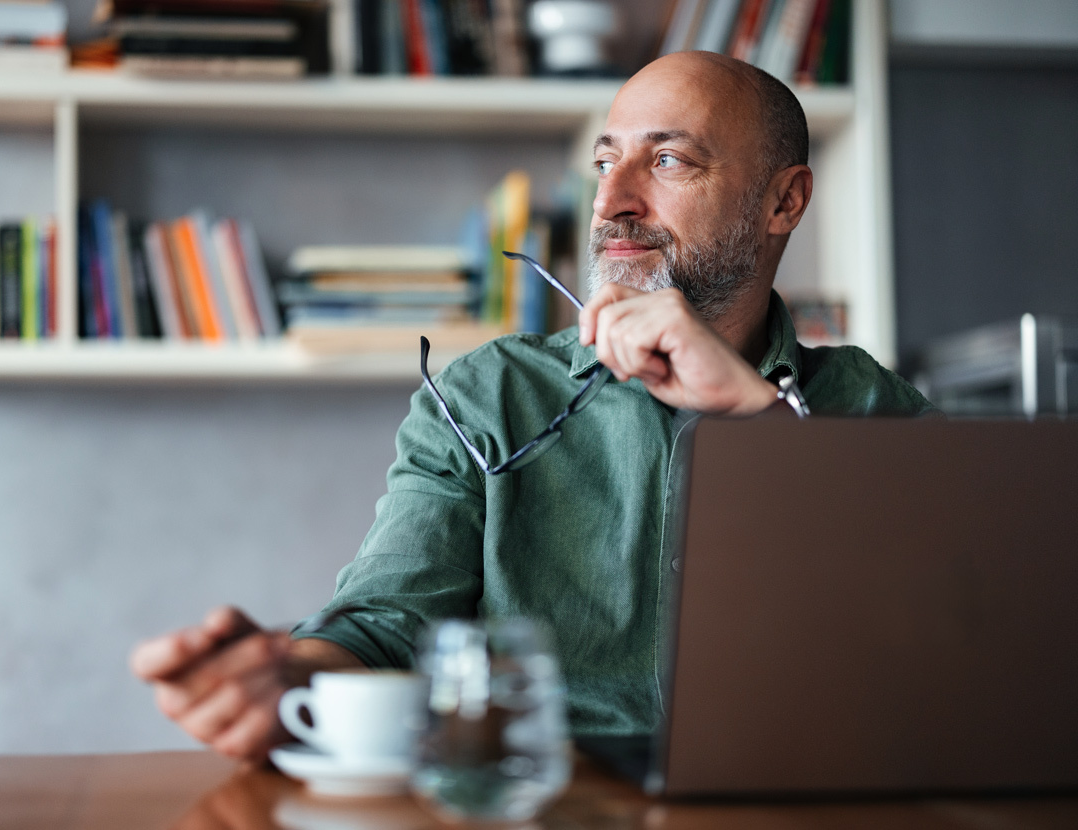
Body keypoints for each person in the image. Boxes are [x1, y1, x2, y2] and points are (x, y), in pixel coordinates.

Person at [130, 51, 936, 765]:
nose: (612, 203)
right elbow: (382, 623)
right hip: (538, 805)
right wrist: (294, 676)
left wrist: (758, 423)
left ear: (784, 203)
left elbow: (952, 634)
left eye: (667, 161)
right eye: (603, 163)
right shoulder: (488, 393)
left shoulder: (869, 406)